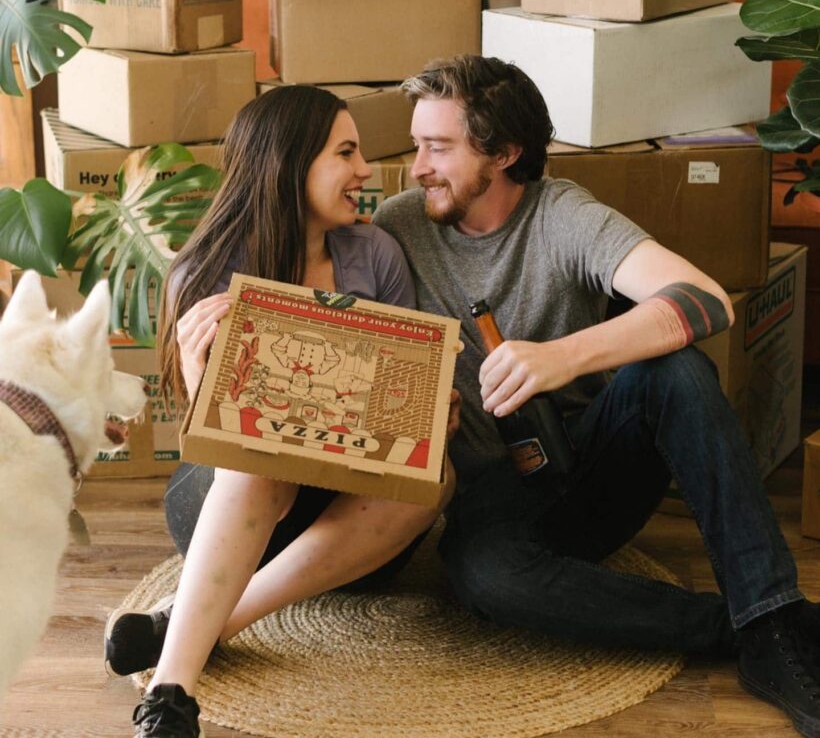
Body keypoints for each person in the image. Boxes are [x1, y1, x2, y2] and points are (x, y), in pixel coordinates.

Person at [372, 54, 820, 738]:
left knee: (674, 370)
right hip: (486, 501)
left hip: (587, 470)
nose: (417, 166)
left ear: (505, 152)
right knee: (483, 581)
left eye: (438, 147)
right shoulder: (397, 226)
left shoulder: (563, 214)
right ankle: (755, 625)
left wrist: (562, 357)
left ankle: (769, 621)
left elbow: (704, 301)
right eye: (417, 145)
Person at [104, 86, 457, 738]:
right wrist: (193, 369)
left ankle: (193, 620)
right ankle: (172, 694)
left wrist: (429, 413)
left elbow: (400, 407)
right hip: (232, 498)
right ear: (290, 164)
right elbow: (203, 438)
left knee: (439, 477)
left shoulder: (375, 254)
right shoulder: (205, 269)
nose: (364, 172)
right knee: (261, 459)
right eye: (345, 152)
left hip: (352, 525)